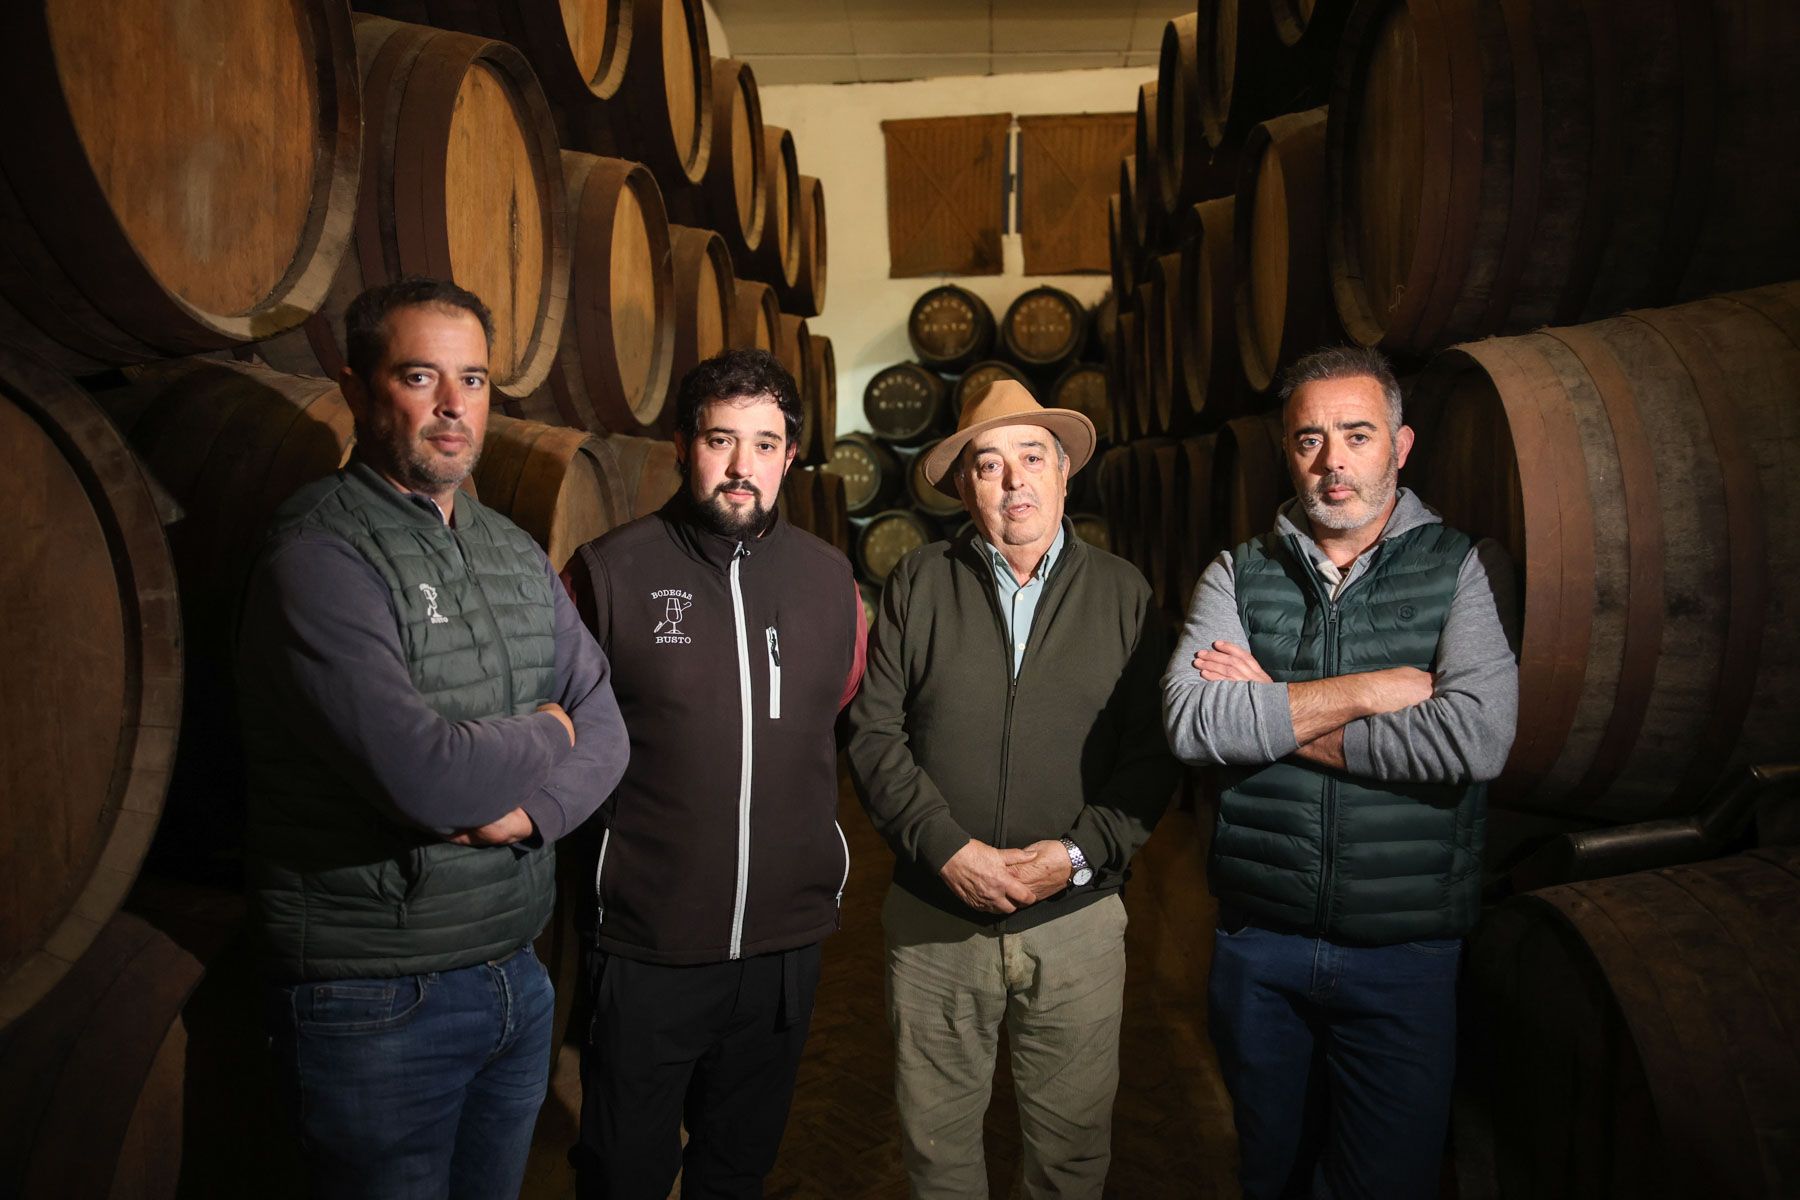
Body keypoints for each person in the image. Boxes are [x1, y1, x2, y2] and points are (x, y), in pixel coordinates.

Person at [236, 276, 629, 1200]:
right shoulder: (320, 553)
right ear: (357, 387)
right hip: (373, 1000)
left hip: (515, 977)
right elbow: (428, 776)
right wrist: (549, 728)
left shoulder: (511, 549)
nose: (455, 408)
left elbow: (609, 727)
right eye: (422, 377)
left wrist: (529, 815)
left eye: (476, 381)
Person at [1162, 345, 1519, 1199]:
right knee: (1271, 1176)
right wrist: (1370, 691)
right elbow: (1191, 723)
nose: (1332, 463)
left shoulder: (1464, 567)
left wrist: (1272, 713)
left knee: (1384, 1183)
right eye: (1309, 439)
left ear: (1400, 446)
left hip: (1405, 953)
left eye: (1357, 435)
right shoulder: (1238, 573)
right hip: (1260, 944)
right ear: (1288, 451)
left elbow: (1471, 741)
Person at [848, 379, 1178, 1199]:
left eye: (1032, 458)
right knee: (938, 1154)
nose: (1012, 481)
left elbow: (1150, 756)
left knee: (1070, 1160)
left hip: (1077, 918)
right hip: (935, 917)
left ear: (1065, 474)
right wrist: (947, 849)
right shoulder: (918, 583)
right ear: (964, 487)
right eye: (987, 465)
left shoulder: (1125, 594)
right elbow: (873, 734)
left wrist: (1074, 855)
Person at [561, 348, 865, 1199]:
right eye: (721, 440)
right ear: (681, 445)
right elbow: (561, 740)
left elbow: (836, 706)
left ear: (791, 457)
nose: (742, 468)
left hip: (782, 947)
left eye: (765, 444)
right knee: (623, 1172)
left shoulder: (828, 579)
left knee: (738, 1168)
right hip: (651, 941)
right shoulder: (607, 573)